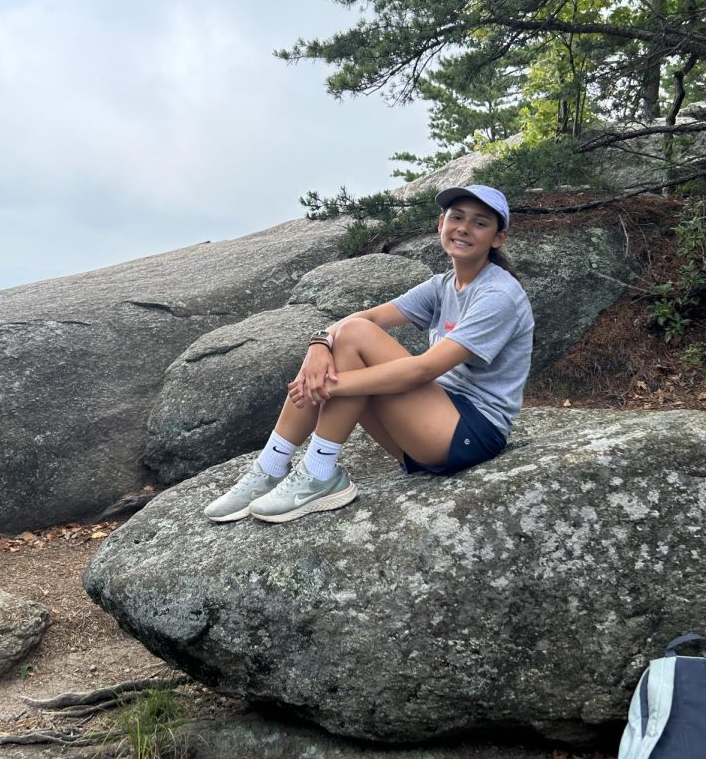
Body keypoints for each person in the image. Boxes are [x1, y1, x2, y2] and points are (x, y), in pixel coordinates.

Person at [204, 184, 534, 524]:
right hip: (422, 431)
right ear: (441, 224)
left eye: (480, 223)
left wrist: (332, 386)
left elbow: (423, 370)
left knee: (354, 338)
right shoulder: (442, 285)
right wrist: (318, 345)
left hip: (469, 433)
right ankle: (270, 467)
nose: (464, 228)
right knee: (347, 336)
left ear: (498, 238)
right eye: (457, 217)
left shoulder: (498, 294)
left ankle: (319, 472)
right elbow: (368, 317)